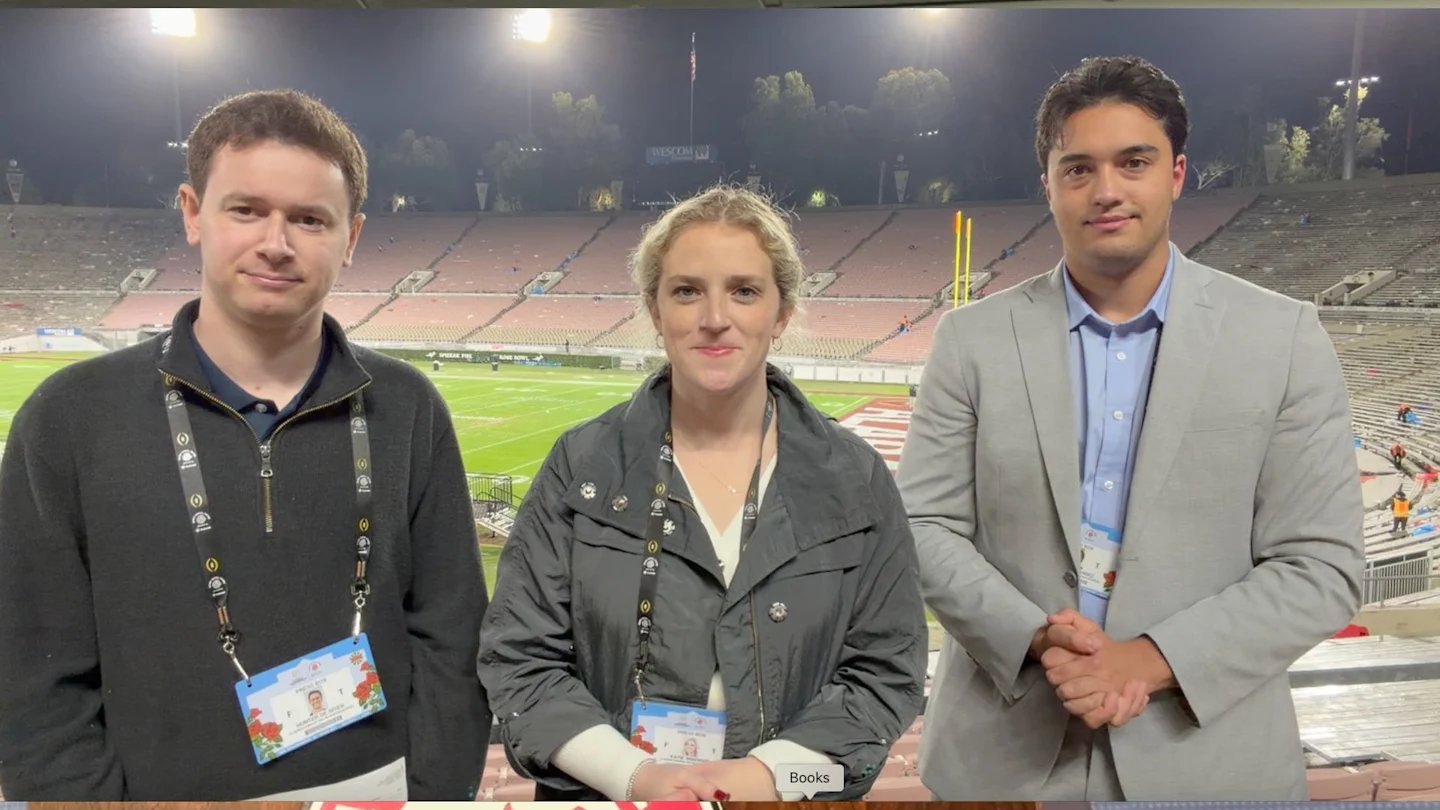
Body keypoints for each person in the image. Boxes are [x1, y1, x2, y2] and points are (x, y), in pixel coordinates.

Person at [0, 90, 489, 800]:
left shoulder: (407, 406)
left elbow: (453, 636)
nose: (276, 242)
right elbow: (32, 672)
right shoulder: (70, 416)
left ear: (351, 236)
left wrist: (433, 792)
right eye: (246, 210)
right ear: (192, 213)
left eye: (309, 219)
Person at [898, 56, 1363, 800]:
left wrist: (1147, 659)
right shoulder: (972, 339)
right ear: (1049, 185)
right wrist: (1037, 636)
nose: (1106, 190)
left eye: (1134, 162)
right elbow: (921, 525)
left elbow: (1321, 566)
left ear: (1177, 175)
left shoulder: (1281, 337)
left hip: (1207, 764)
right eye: (1078, 168)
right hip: (1005, 759)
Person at [478, 186, 925, 803]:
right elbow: (520, 658)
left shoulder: (855, 477)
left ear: (782, 313)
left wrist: (770, 777)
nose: (715, 316)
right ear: (655, 310)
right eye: (687, 291)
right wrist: (634, 777)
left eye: (744, 291)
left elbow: (884, 681)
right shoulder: (580, 465)